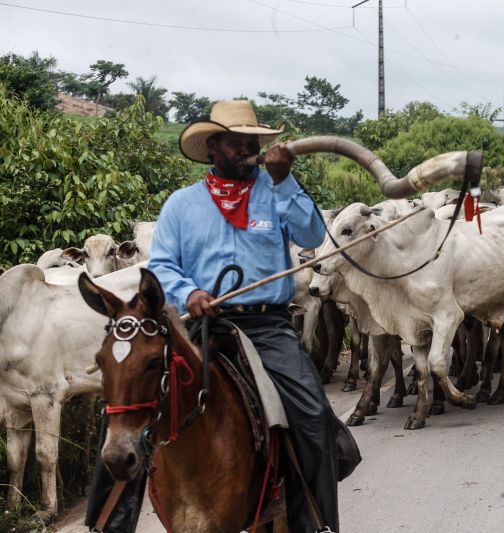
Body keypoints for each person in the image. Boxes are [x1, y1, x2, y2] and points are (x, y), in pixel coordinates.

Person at [147, 99, 337, 531]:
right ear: (213, 146)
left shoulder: (277, 189)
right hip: (201, 325)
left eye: (253, 142)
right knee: (135, 402)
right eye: (237, 142)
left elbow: (312, 234)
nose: (248, 150)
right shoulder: (181, 204)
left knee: (312, 413)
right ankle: (110, 515)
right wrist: (190, 292)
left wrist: (285, 179)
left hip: (266, 326)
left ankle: (317, 523)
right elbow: (161, 265)